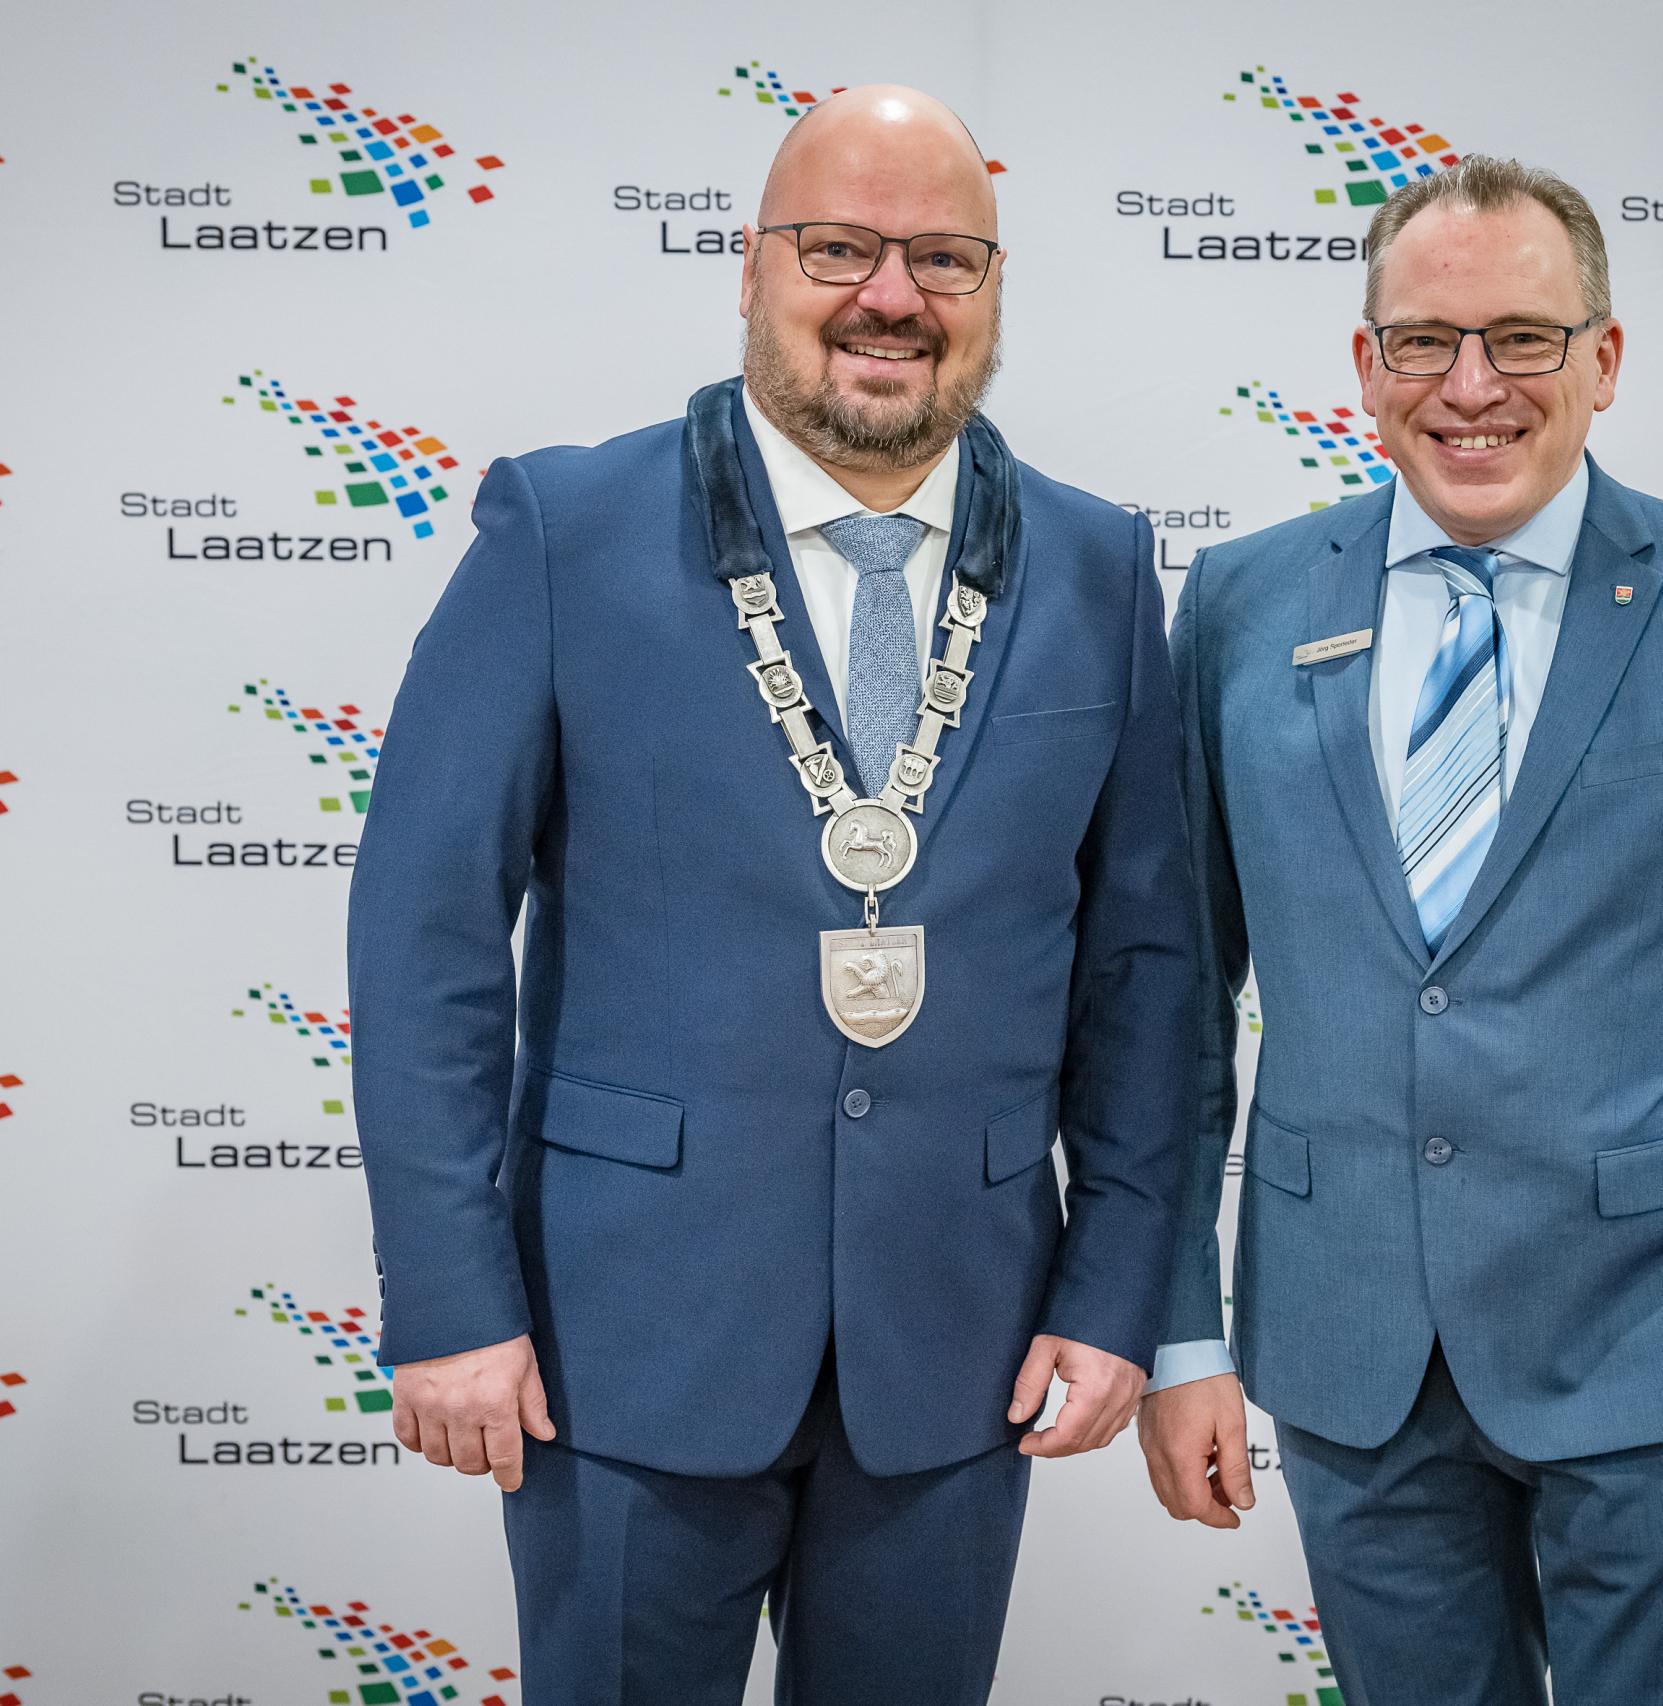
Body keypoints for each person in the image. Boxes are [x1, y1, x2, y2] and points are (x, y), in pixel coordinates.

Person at [347, 84, 1195, 1706]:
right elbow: (426, 934)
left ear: (993, 288)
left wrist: (1114, 1292)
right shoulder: (564, 531)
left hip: (960, 1345)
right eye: (838, 248)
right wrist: (449, 1299)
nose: (892, 296)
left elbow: (1145, 972)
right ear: (750, 268)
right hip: (619, 1341)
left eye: (943, 257)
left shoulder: (1099, 565)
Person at [1137, 155, 1663, 1704]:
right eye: (1426, 339)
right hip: (1352, 1356)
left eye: (1524, 338)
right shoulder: (1238, 604)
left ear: (1605, 359)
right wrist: (1176, 1333)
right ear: (1367, 364)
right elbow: (1167, 1010)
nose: (1472, 385)